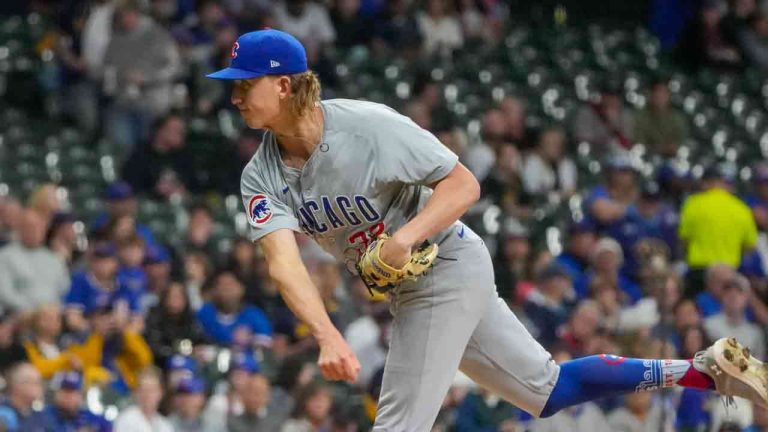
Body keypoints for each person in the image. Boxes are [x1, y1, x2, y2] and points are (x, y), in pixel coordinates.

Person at [207, 28, 768, 430]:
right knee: (547, 393)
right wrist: (328, 334)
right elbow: (283, 262)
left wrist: (403, 238)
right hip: (414, 287)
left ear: (282, 85)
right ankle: (701, 371)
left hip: (444, 265)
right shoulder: (260, 175)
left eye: (243, 83)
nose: (233, 94)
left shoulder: (369, 127)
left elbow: (464, 184)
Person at [679, 166, 757, 298]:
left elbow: (684, 240)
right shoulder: (741, 208)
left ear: (705, 182)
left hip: (699, 270)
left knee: (696, 310)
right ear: (723, 182)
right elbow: (749, 245)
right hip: (729, 270)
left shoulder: (693, 204)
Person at [0, 209, 70, 313]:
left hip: (52, 315)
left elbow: (64, 290)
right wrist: (36, 311)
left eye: (39, 227)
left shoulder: (54, 259)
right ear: (19, 229)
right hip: (18, 315)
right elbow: (4, 294)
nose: (34, 232)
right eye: (29, 227)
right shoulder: (5, 256)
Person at [46, 371, 111, 431]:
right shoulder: (44, 415)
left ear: (81, 396)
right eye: (64, 390)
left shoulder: (91, 418)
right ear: (56, 393)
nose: (67, 396)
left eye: (72, 392)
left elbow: (107, 426)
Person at [113, 367, 173, 432]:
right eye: (142, 390)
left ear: (161, 393)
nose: (146, 395)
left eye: (151, 390)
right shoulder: (126, 419)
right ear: (136, 393)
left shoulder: (165, 424)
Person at [0, 363, 53, 431]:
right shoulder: (4, 414)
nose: (40, 387)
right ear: (17, 386)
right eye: (36, 382)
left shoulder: (37, 414)